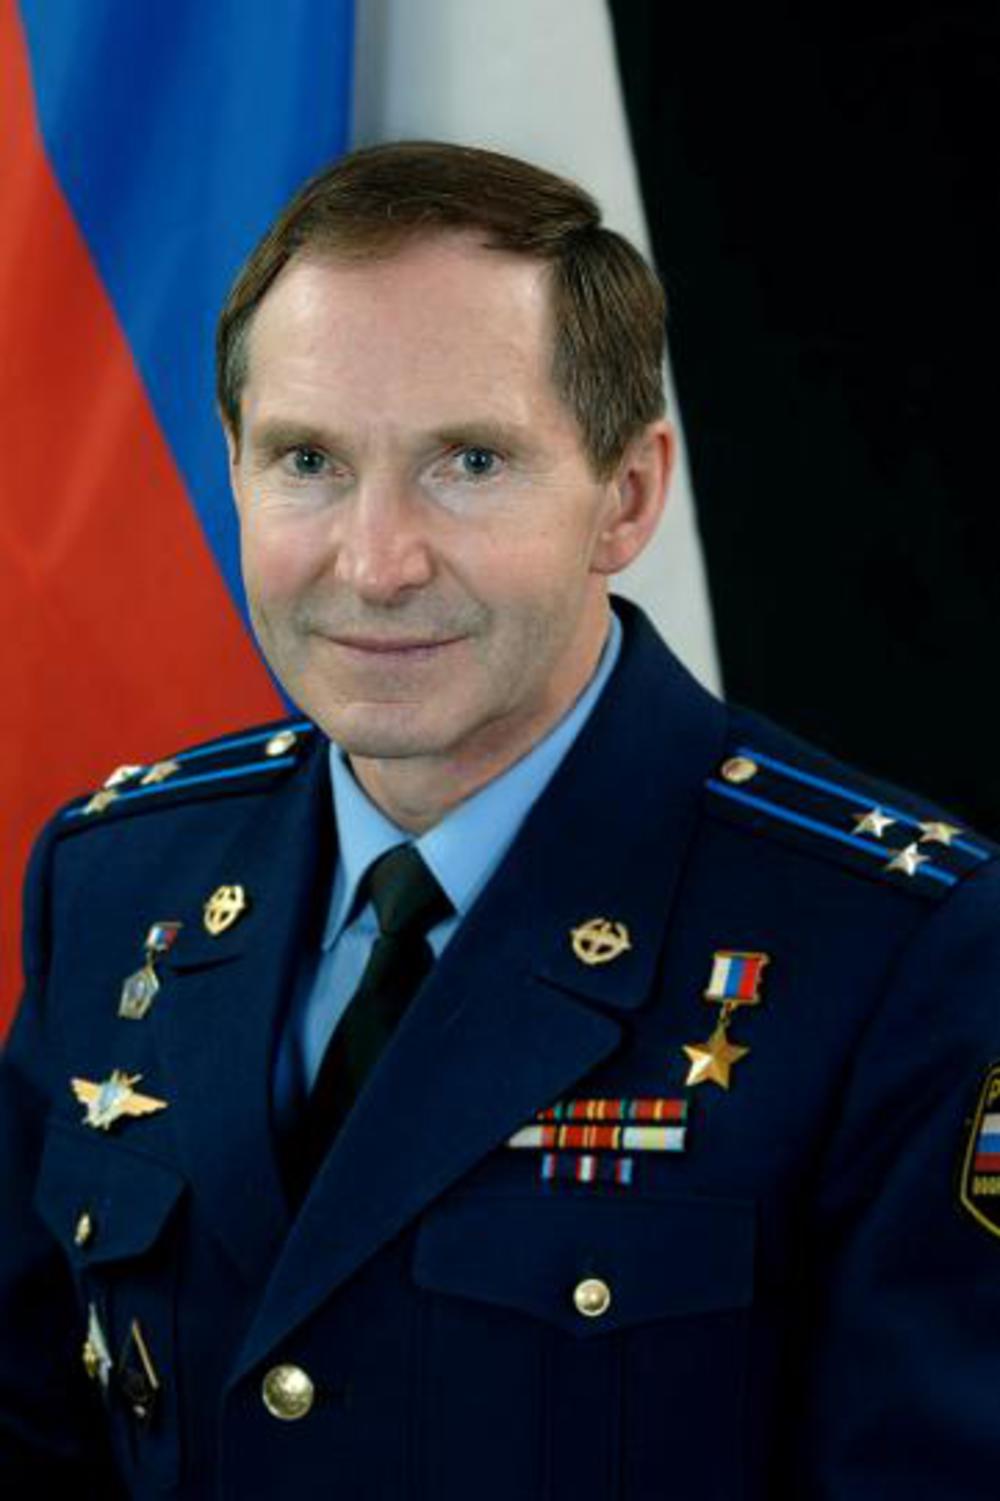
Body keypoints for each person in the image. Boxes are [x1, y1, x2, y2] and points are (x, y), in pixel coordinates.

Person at [2, 141, 999, 1501]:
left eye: (469, 461)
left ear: (626, 497)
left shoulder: (900, 951)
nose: (375, 561)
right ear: (231, 469)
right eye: (307, 459)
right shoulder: (118, 877)